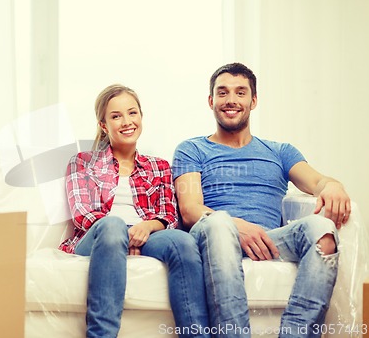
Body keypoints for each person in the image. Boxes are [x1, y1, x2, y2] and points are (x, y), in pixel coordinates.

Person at [172, 63, 351, 337]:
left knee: (323, 231)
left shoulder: (279, 151)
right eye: (222, 93)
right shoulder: (192, 149)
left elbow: (317, 181)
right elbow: (190, 209)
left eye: (240, 92)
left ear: (253, 101)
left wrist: (334, 185)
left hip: (268, 241)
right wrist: (236, 226)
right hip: (215, 238)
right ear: (211, 101)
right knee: (219, 225)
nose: (231, 100)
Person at [59, 84, 210, 338]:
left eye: (132, 113)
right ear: (104, 126)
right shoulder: (83, 162)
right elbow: (82, 214)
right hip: (98, 236)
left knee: (183, 241)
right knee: (113, 226)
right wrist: (120, 235)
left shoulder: (158, 166)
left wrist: (146, 227)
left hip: (146, 235)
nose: (126, 122)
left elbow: (169, 215)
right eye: (116, 116)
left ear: (141, 116)